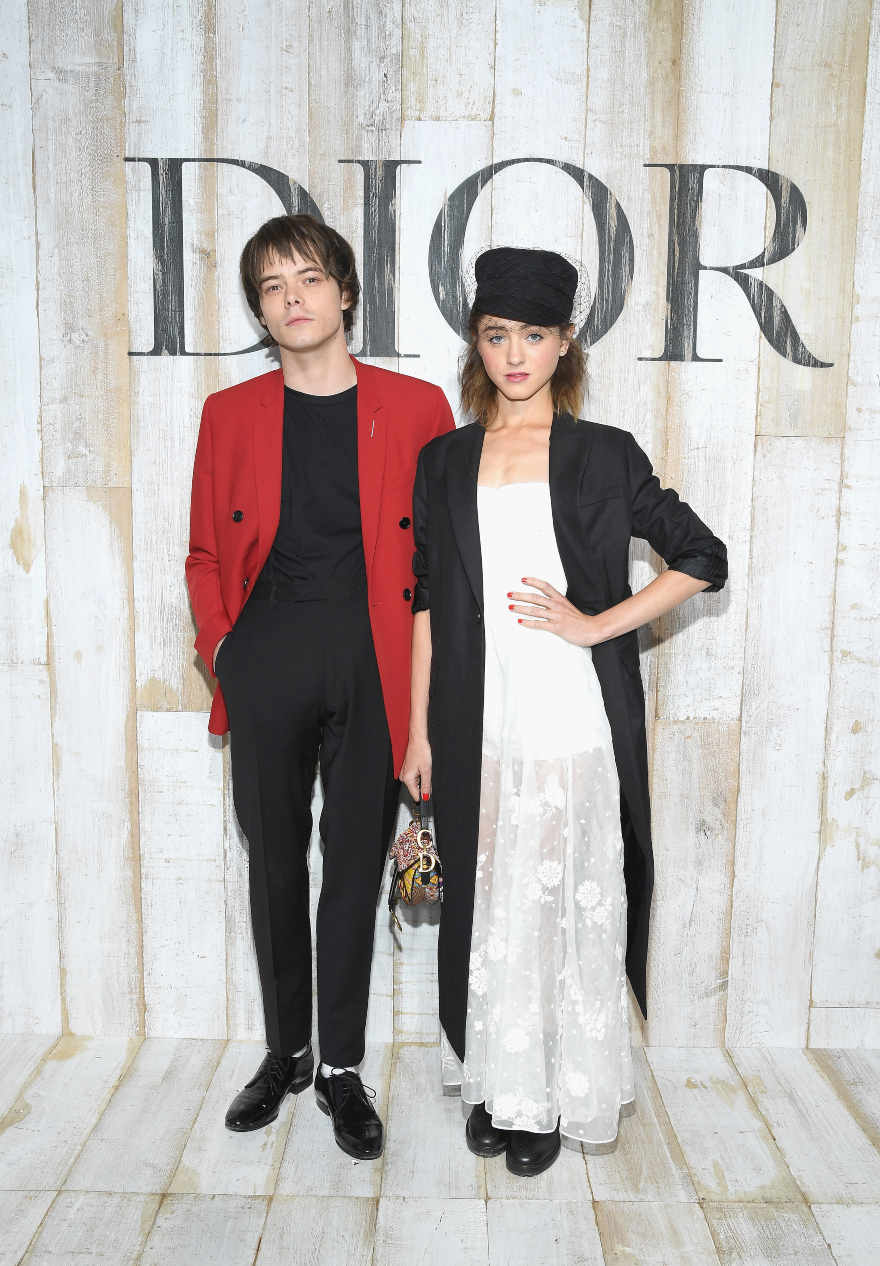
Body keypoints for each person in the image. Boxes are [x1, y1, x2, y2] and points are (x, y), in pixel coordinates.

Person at [401, 247, 727, 1176]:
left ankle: (543, 1096)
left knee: (546, 907)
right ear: (476, 341)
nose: (514, 355)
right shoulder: (444, 460)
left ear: (565, 342)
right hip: (476, 717)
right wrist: (419, 729)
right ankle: (497, 1082)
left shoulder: (604, 454)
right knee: (485, 904)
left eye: (533, 336)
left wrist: (595, 624)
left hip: (567, 715)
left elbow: (702, 557)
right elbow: (425, 600)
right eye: (496, 334)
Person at [186, 214, 454, 1158]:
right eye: (272, 286)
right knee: (272, 861)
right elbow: (205, 553)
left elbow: (439, 564)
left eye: (307, 278)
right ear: (261, 311)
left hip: (375, 655)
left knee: (352, 864)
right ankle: (286, 1052)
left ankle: (341, 1066)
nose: (292, 298)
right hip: (267, 652)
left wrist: (427, 709)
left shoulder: (417, 407)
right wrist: (225, 650)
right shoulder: (229, 414)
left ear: (345, 291)